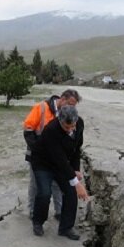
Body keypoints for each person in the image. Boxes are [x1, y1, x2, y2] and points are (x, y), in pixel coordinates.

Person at [30, 105, 89, 240]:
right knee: (45, 193)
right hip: (43, 163)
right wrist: (77, 184)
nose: (70, 130)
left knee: (71, 192)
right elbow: (60, 159)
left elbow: (76, 149)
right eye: (66, 127)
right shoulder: (51, 130)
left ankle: (66, 228)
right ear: (60, 120)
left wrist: (76, 169)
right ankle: (38, 221)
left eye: (72, 126)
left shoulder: (79, 124)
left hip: (61, 164)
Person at [23, 89, 81, 219]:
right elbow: (28, 129)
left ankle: (59, 211)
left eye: (74, 105)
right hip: (38, 155)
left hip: (57, 157)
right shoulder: (41, 108)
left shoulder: (67, 114)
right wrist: (38, 149)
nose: (72, 108)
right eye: (71, 104)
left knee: (57, 184)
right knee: (36, 184)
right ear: (62, 98)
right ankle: (33, 211)